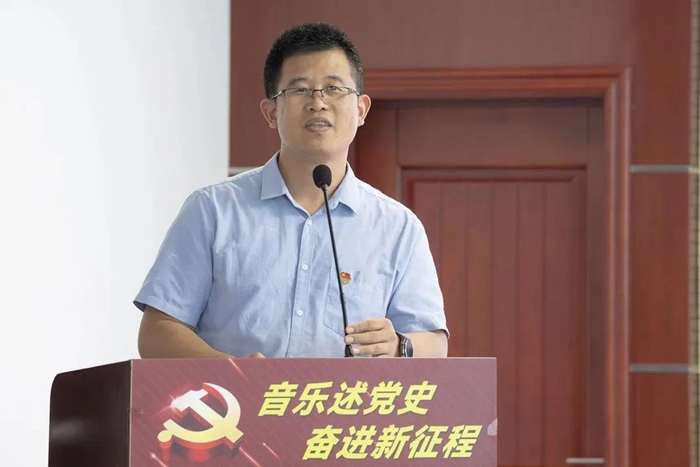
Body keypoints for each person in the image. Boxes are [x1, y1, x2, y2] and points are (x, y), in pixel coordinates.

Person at [134, 22, 448, 359]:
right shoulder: (213, 210)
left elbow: (434, 343)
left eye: (334, 88)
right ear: (271, 112)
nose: (318, 103)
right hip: (233, 396)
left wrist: (400, 345)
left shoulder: (398, 228)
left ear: (361, 110)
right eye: (299, 90)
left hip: (347, 397)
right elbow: (157, 331)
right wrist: (234, 374)